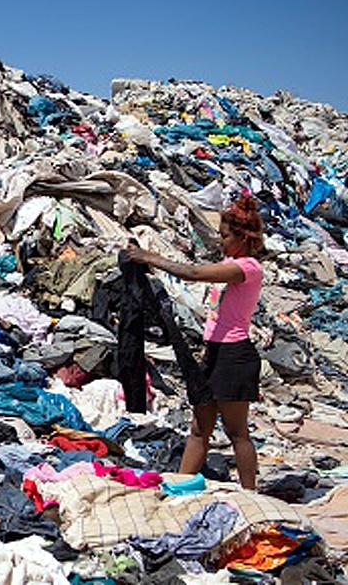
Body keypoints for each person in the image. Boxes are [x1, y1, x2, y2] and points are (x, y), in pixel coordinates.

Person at [124, 195, 265, 489]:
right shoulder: (230, 263)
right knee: (199, 428)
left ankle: (251, 493)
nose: (221, 242)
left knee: (237, 432)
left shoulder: (248, 268)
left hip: (234, 356)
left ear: (243, 237)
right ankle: (179, 485)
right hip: (214, 353)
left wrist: (149, 257)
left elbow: (194, 273)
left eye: (225, 236)